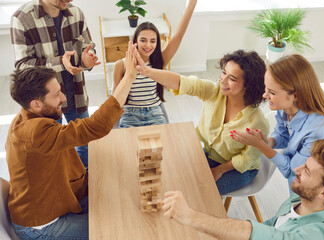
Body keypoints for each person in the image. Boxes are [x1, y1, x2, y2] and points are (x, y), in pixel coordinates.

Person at [5, 42, 137, 240]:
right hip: (42, 225)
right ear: (36, 103)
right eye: (56, 94)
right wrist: (129, 78)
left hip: (57, 200)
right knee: (116, 228)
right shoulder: (36, 132)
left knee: (119, 195)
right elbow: (92, 127)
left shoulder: (27, 115)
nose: (64, 98)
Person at [162, 139, 324, 240]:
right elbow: (269, 229)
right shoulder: (300, 200)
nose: (296, 170)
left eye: (306, 171)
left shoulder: (315, 235)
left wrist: (190, 216)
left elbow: (266, 235)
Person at [135, 48, 269, 195]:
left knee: (203, 192)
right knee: (178, 174)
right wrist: (148, 72)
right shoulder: (215, 92)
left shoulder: (257, 122)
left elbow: (246, 159)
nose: (222, 80)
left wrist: (219, 170)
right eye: (224, 72)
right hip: (211, 155)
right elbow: (184, 82)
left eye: (232, 78)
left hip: (239, 169)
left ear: (248, 85)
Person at [231, 54, 324, 191]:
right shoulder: (285, 107)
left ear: (295, 95)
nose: (264, 95)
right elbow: (282, 134)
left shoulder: (319, 131)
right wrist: (269, 142)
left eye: (272, 92)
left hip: (313, 190)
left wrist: (262, 146)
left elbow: (292, 170)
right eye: (266, 88)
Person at [10, 0, 101, 169]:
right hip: (47, 102)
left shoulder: (77, 13)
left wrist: (87, 59)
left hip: (76, 93)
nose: (70, 0)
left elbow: (88, 46)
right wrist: (60, 62)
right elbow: (22, 66)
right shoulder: (22, 19)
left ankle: (86, 180)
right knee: (54, 151)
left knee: (86, 142)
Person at [113, 0, 197, 128]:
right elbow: (114, 101)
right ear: (135, 40)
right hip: (130, 113)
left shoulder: (159, 61)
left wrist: (192, 4)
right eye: (143, 40)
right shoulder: (121, 65)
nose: (148, 45)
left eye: (153, 41)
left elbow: (179, 35)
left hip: (155, 112)